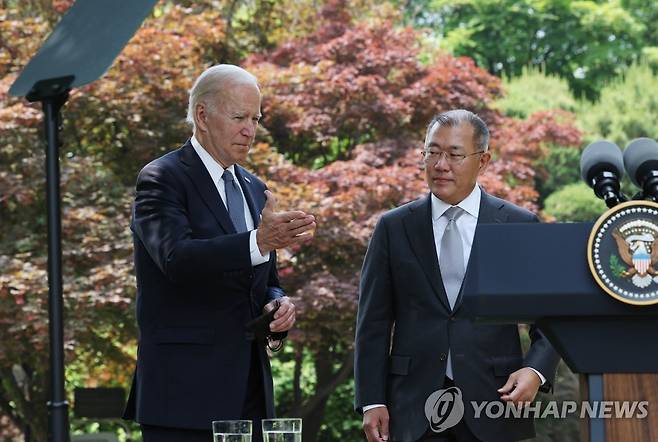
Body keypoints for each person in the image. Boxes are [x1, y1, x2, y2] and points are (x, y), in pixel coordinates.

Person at [122, 64, 316, 442]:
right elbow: (176, 258)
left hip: (250, 396)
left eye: (256, 118)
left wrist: (277, 307)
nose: (250, 129)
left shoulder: (255, 188)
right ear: (202, 116)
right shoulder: (161, 177)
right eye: (239, 117)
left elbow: (264, 281)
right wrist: (258, 242)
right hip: (182, 398)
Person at [354, 109, 560, 442]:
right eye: (432, 152)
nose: (440, 164)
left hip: (494, 401)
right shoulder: (394, 227)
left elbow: (550, 316)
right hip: (411, 407)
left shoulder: (518, 226)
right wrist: (371, 399)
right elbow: (372, 322)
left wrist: (536, 371)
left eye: (454, 154)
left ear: (483, 161)